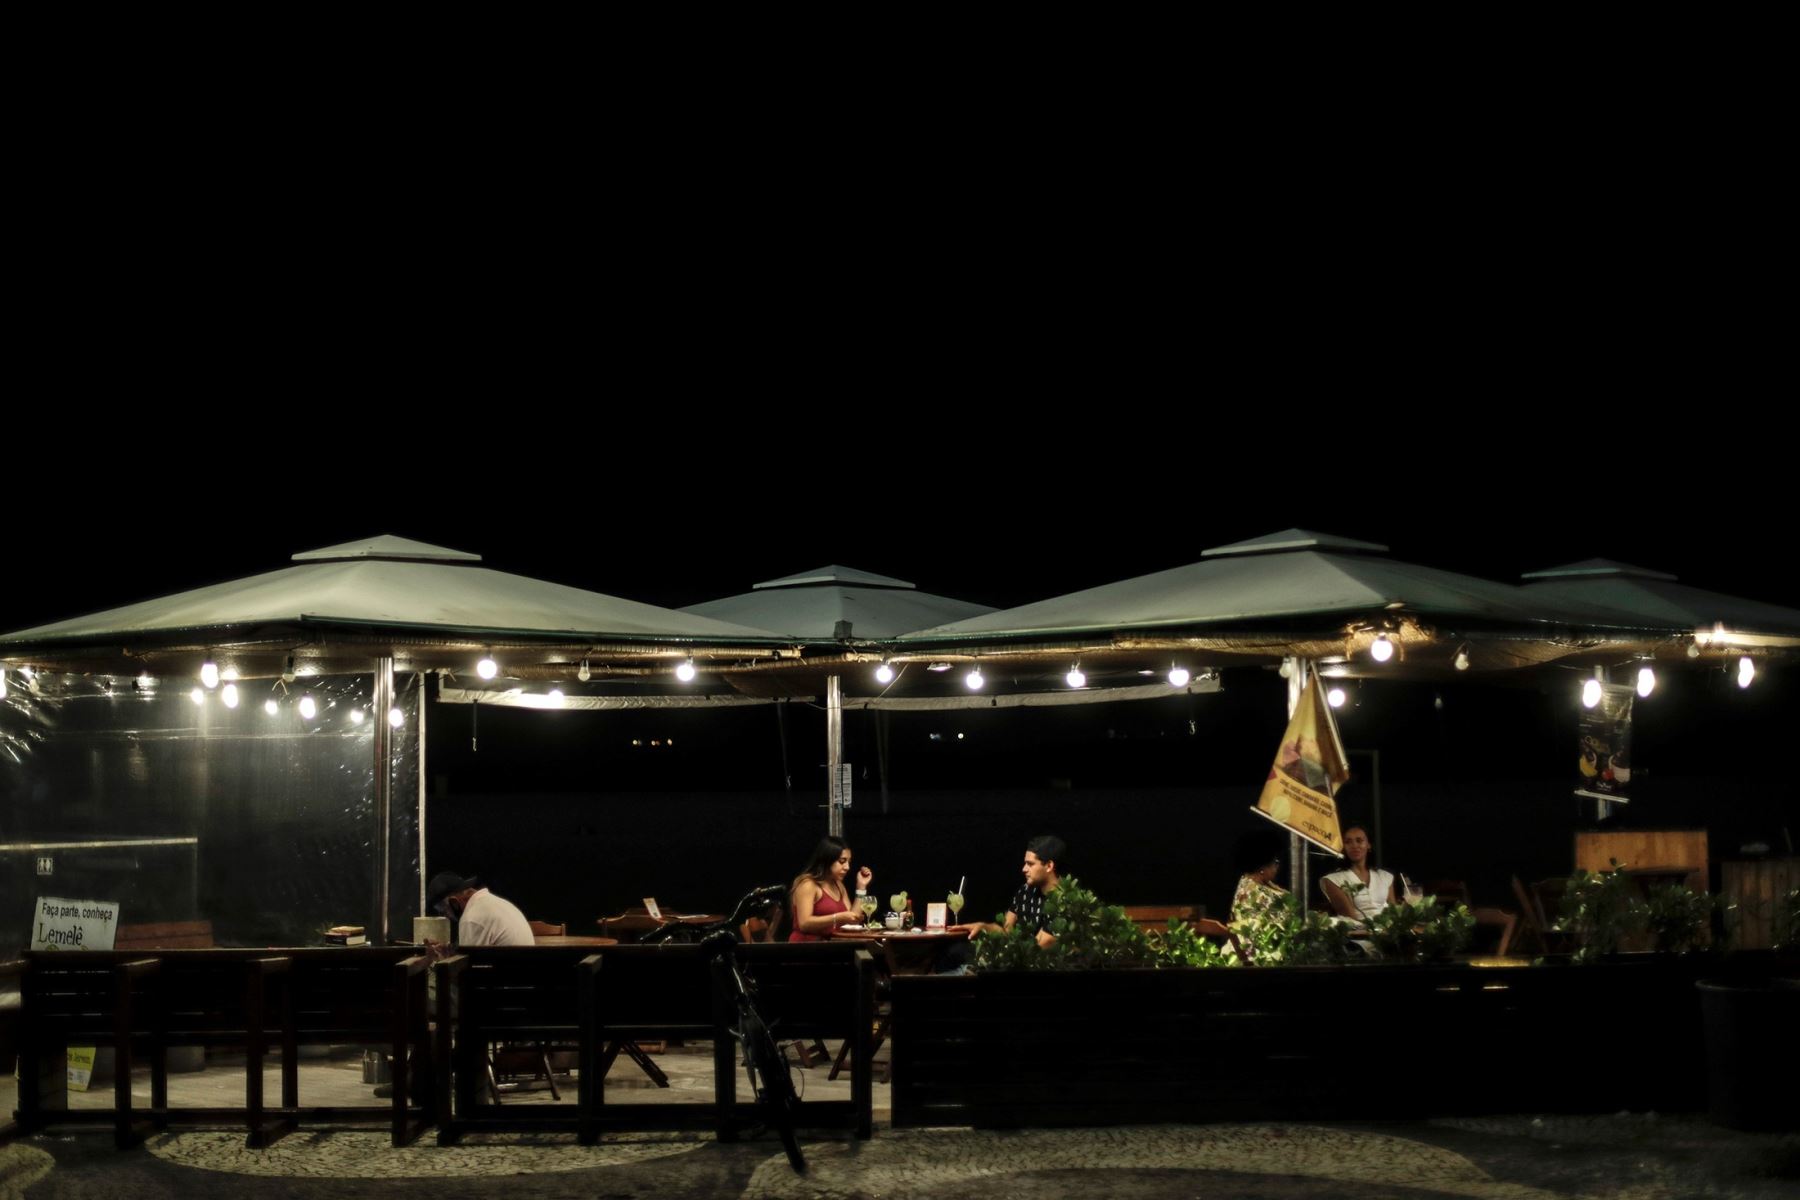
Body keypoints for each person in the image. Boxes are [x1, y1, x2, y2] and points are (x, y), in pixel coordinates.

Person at [963, 834, 1065, 949]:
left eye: (1030, 864)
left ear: (1049, 866)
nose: (1024, 869)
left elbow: (1038, 948)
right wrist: (984, 927)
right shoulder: (1026, 890)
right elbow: (1006, 931)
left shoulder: (1065, 902)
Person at [788, 836, 873, 941]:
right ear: (827, 860)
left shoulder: (838, 884)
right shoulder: (808, 884)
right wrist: (837, 918)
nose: (847, 867)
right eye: (842, 861)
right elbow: (804, 924)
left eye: (849, 862)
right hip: (806, 947)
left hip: (831, 946)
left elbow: (852, 921)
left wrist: (861, 887)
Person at [424, 870, 533, 953]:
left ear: (454, 903)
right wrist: (449, 951)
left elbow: (467, 966)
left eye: (443, 911)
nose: (447, 917)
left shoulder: (471, 918)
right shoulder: (493, 903)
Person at [1319, 825, 1399, 924]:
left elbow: (1394, 913)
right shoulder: (1333, 880)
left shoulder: (1384, 876)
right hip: (1358, 935)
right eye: (1348, 842)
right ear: (1343, 846)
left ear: (1368, 844)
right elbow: (1351, 919)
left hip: (1388, 931)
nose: (1354, 846)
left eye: (1359, 840)